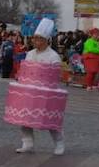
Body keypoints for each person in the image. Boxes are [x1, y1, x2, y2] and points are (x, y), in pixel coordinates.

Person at [5, 18, 67, 155]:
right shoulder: (30, 54)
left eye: (39, 39)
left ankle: (59, 143)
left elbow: (55, 74)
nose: (36, 41)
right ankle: (27, 143)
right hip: (28, 90)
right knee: (25, 118)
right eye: (35, 39)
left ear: (46, 40)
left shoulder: (54, 56)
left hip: (48, 92)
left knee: (51, 119)